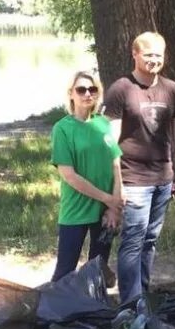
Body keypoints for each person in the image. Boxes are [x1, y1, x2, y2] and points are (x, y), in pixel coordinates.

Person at [104, 32, 175, 304]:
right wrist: (116, 187)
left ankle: (142, 294)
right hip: (133, 179)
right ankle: (130, 303)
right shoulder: (121, 89)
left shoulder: (172, 90)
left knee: (150, 240)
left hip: (163, 179)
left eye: (158, 55)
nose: (154, 60)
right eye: (148, 54)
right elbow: (110, 142)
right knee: (132, 241)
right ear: (135, 54)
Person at [49, 70, 123, 282]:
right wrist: (108, 199)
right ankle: (56, 312)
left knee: (97, 269)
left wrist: (114, 207)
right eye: (81, 90)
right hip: (76, 210)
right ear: (71, 94)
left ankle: (93, 308)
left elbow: (116, 164)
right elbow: (69, 176)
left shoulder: (103, 124)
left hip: (105, 212)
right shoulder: (62, 128)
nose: (87, 94)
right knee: (65, 271)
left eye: (92, 90)